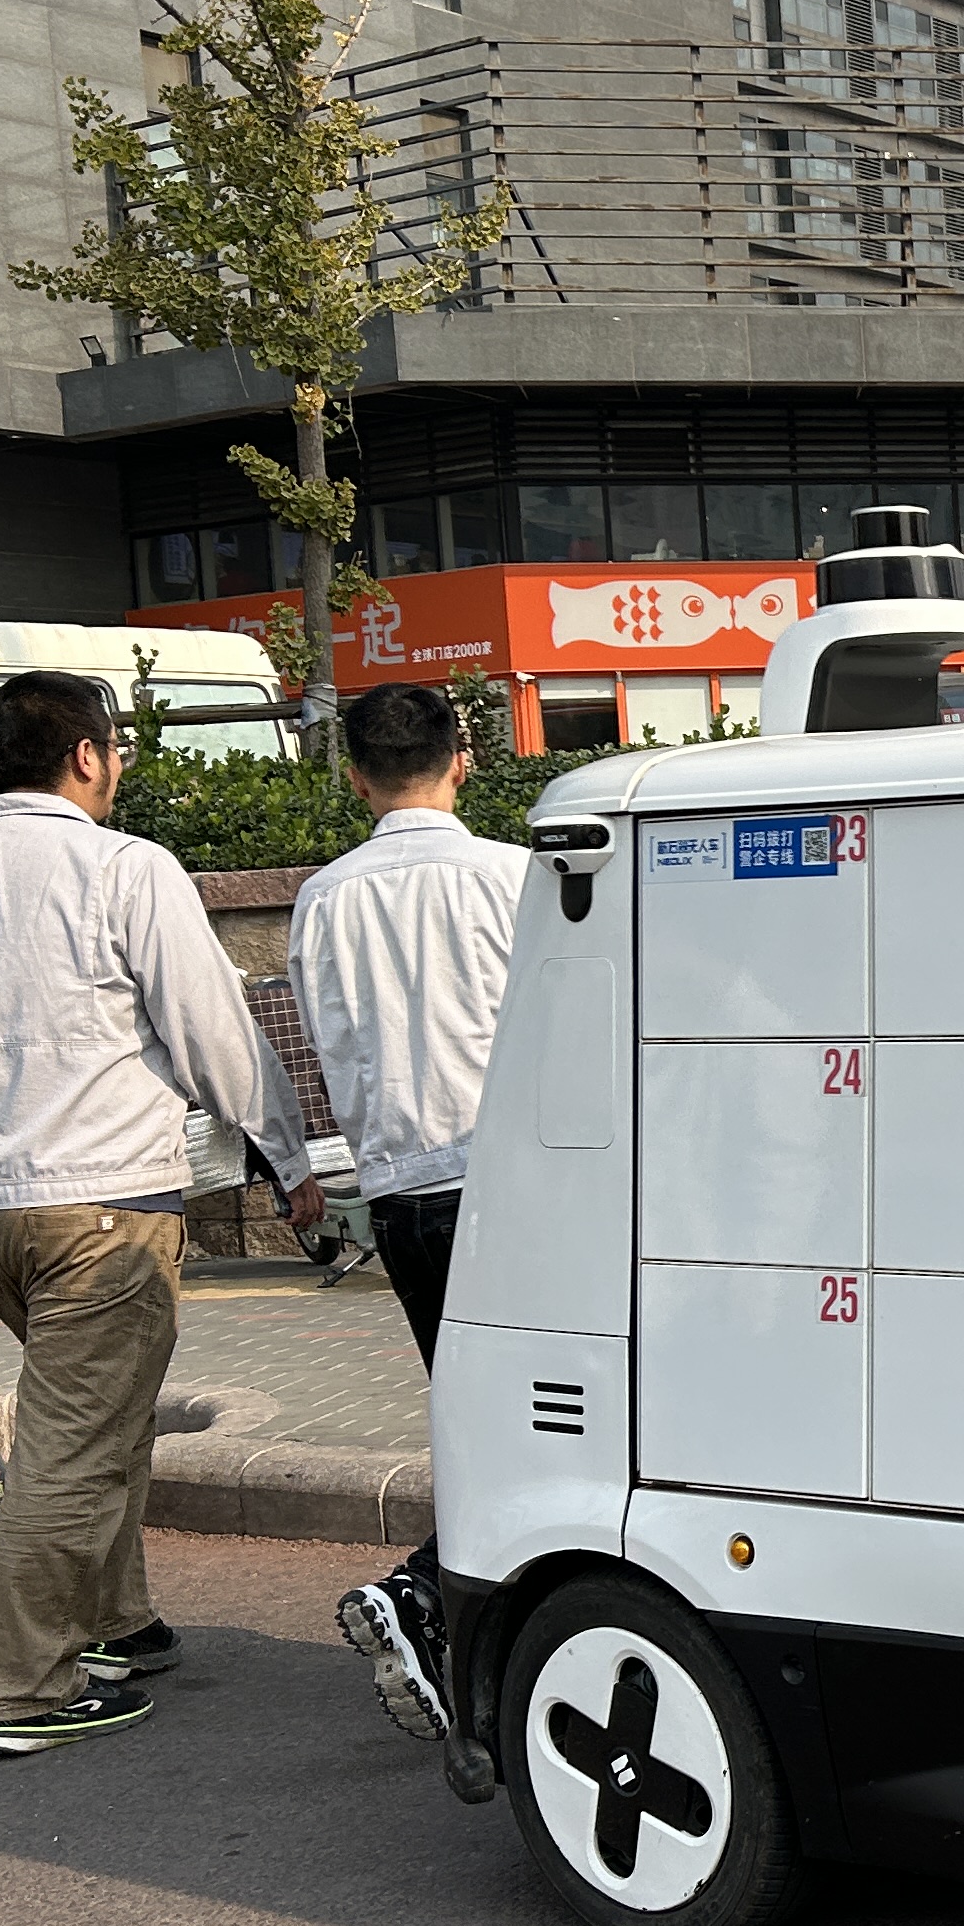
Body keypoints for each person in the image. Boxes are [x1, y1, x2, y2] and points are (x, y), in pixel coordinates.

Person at [0, 672, 319, 1762]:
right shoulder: (125, 868)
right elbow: (215, 1036)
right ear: (91, 756)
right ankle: (28, 1687)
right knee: (71, 1448)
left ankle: (120, 1621)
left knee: (102, 1417)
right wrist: (289, 1160)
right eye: (117, 750)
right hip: (101, 1206)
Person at [294, 683, 524, 1739]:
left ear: (355, 776)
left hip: (399, 1197)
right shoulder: (512, 877)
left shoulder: (323, 899)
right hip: (518, 1187)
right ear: (462, 757)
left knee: (477, 1419)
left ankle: (457, 1631)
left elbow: (325, 1041)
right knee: (541, 1429)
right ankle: (432, 1601)